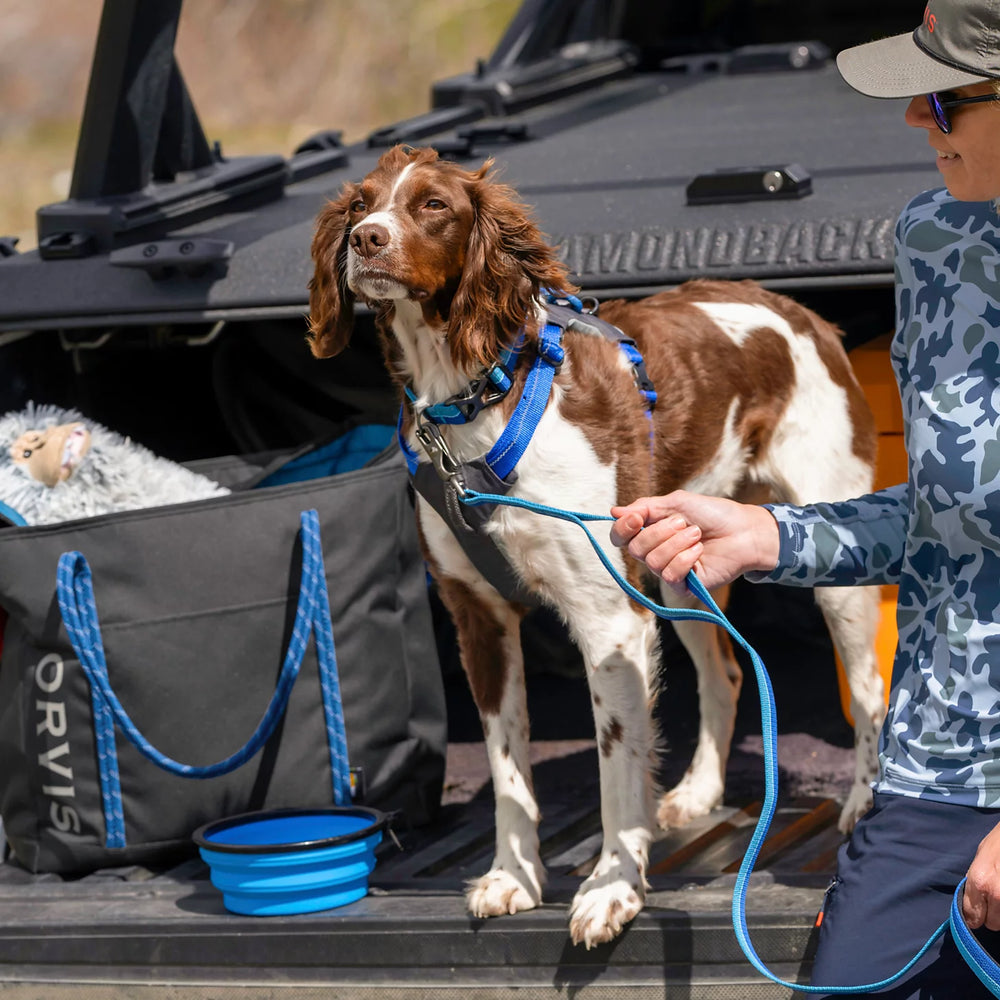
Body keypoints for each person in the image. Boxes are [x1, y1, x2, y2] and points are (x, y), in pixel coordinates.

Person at [611, 1, 1000, 996]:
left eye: (943, 99)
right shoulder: (938, 244)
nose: (917, 122)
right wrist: (768, 532)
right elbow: (956, 517)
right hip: (941, 760)